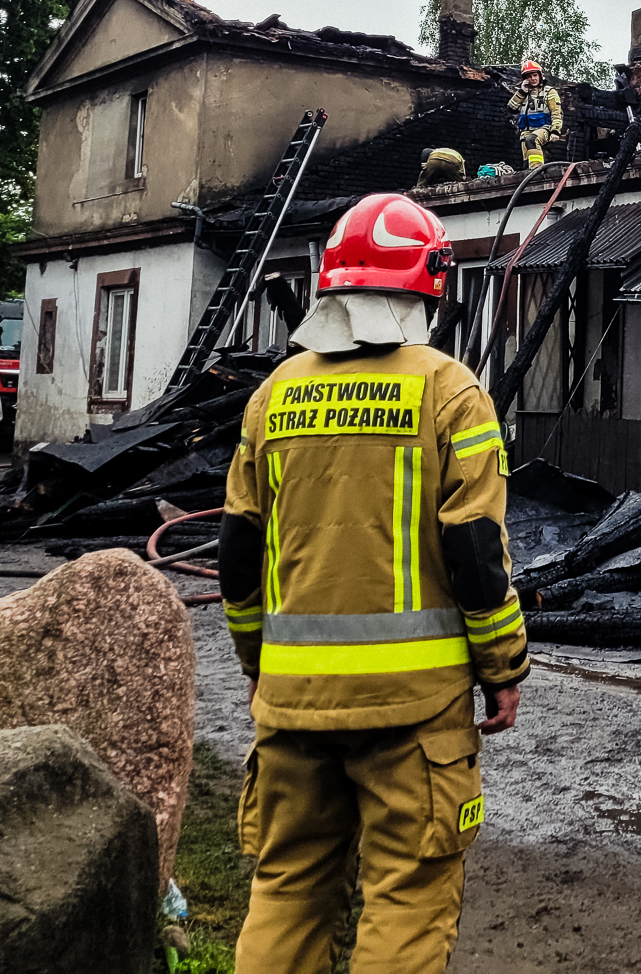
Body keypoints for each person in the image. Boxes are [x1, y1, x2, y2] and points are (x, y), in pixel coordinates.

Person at [221, 192, 527, 972]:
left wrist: (258, 662)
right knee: (407, 901)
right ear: (431, 280)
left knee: (286, 891)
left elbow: (238, 554)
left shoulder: (272, 396)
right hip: (414, 712)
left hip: (290, 703)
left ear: (333, 279)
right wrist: (502, 670)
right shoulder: (451, 392)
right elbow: (476, 556)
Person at [507, 59, 563, 168]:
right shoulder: (523, 93)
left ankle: (537, 171)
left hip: (544, 129)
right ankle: (530, 173)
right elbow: (511, 108)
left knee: (532, 140)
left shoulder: (549, 92)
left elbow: (556, 113)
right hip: (526, 132)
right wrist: (522, 92)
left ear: (540, 76)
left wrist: (555, 131)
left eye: (535, 75)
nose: (532, 78)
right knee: (527, 162)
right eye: (529, 76)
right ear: (525, 79)